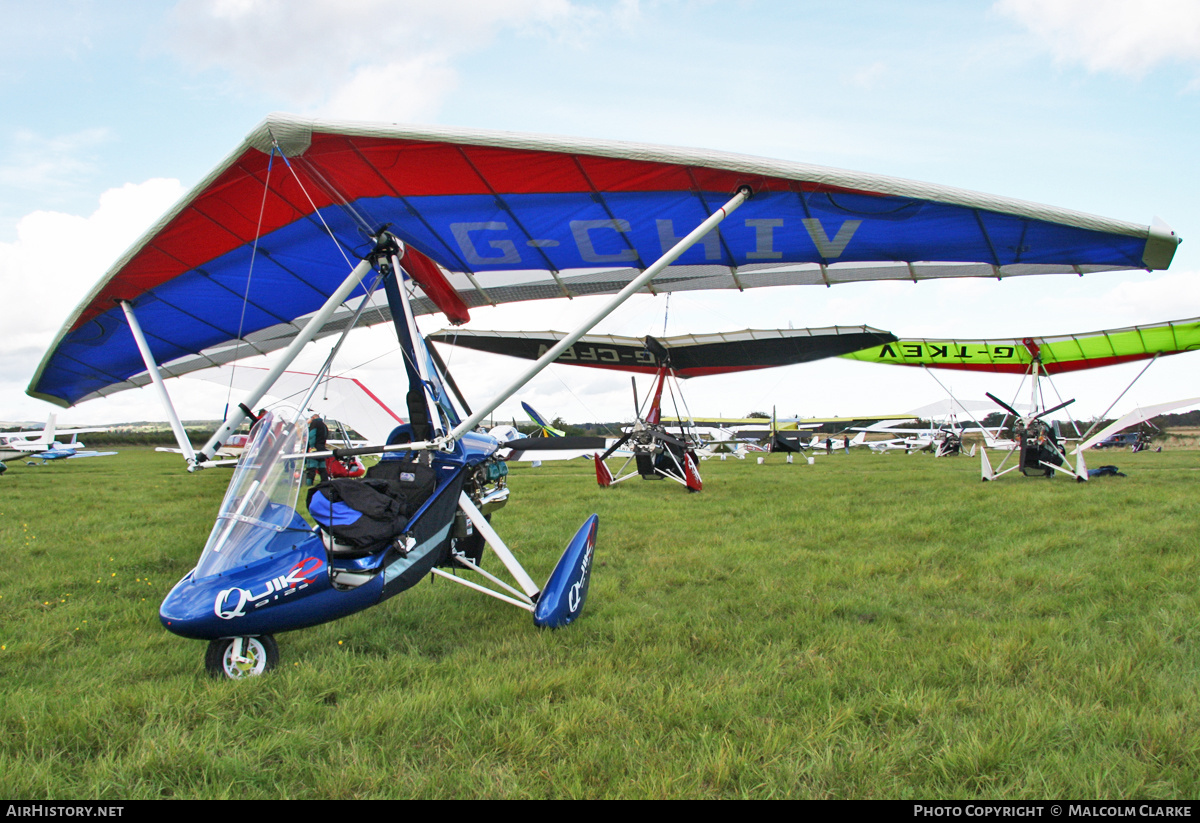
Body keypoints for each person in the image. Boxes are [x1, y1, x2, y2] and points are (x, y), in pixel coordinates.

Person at [305, 412, 330, 486]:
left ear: (313, 418)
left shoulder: (314, 423)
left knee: (311, 467)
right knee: (322, 467)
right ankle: (325, 482)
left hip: (315, 448)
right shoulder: (324, 425)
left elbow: (312, 435)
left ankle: (309, 484)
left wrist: (312, 446)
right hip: (322, 447)